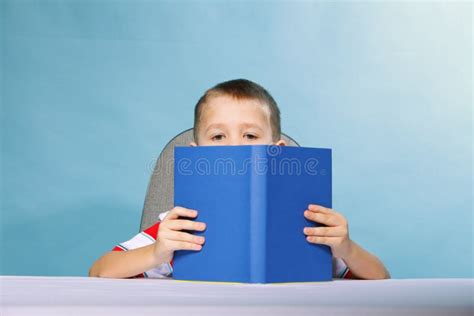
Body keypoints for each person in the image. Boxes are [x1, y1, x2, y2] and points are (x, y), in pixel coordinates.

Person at [89, 79, 391, 280]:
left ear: (277, 151)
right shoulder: (180, 225)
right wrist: (157, 252)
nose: (234, 147)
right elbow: (99, 272)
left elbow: (382, 280)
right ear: (196, 155)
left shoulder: (309, 224)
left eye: (249, 135)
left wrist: (347, 248)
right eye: (218, 136)